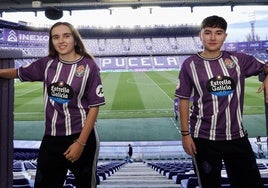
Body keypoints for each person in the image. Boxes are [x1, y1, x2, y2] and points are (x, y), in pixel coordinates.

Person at [0, 22, 105, 188]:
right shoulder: (46, 64)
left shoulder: (89, 66)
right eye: (56, 37)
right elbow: (18, 72)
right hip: (51, 139)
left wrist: (80, 143)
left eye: (66, 36)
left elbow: (95, 106)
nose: (61, 41)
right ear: (52, 42)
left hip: (82, 137)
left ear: (75, 40)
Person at [175, 15, 268, 188]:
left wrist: (267, 76)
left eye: (218, 33)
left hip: (236, 136)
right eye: (208, 32)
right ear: (200, 35)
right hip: (203, 138)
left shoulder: (239, 60)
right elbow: (183, 99)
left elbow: (265, 66)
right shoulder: (190, 64)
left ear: (225, 36)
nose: (212, 37)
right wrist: (185, 134)